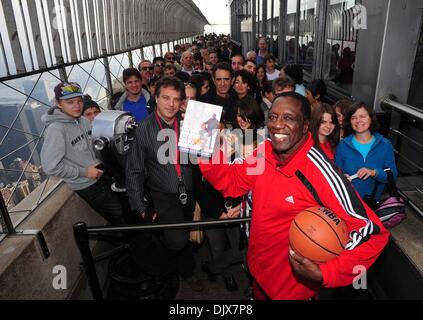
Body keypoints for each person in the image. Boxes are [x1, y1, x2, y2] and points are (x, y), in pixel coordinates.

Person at [198, 92, 389, 299]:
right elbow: (232, 183)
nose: (277, 125)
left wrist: (328, 272)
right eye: (273, 117)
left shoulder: (319, 170)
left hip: (290, 290)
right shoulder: (265, 150)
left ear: (306, 125)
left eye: (288, 118)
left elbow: (372, 232)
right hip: (259, 275)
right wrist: (206, 143)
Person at [125, 77, 203, 292]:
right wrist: (140, 207)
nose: (171, 104)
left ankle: (186, 271)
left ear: (181, 103)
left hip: (189, 190)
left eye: (176, 99)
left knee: (186, 231)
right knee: (176, 239)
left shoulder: (189, 125)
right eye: (165, 98)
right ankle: (167, 266)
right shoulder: (143, 130)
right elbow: (134, 170)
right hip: (163, 194)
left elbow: (203, 158)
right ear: (156, 98)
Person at [41, 82, 125, 225]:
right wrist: (84, 172)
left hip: (101, 175)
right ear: (58, 104)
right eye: (70, 102)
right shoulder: (56, 129)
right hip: (86, 184)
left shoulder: (83, 121)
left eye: (79, 101)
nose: (77, 105)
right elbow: (50, 167)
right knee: (122, 217)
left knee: (125, 209)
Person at [335, 102, 398, 202]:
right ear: (350, 122)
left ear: (371, 119)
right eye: (353, 118)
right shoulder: (343, 146)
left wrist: (373, 172)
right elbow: (337, 172)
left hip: (374, 205)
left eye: (362, 116)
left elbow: (392, 176)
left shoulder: (385, 145)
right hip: (348, 202)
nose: (358, 120)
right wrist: (342, 177)